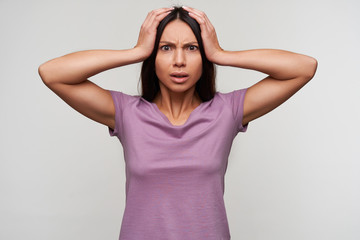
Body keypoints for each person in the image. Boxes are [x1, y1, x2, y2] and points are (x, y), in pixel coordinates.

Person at [38, 6, 317, 240]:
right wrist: (136, 51)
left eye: (192, 48)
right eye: (166, 48)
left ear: (203, 56)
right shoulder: (126, 113)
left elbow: (303, 68)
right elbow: (52, 73)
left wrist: (221, 54)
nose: (179, 61)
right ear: (153, 57)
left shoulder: (227, 111)